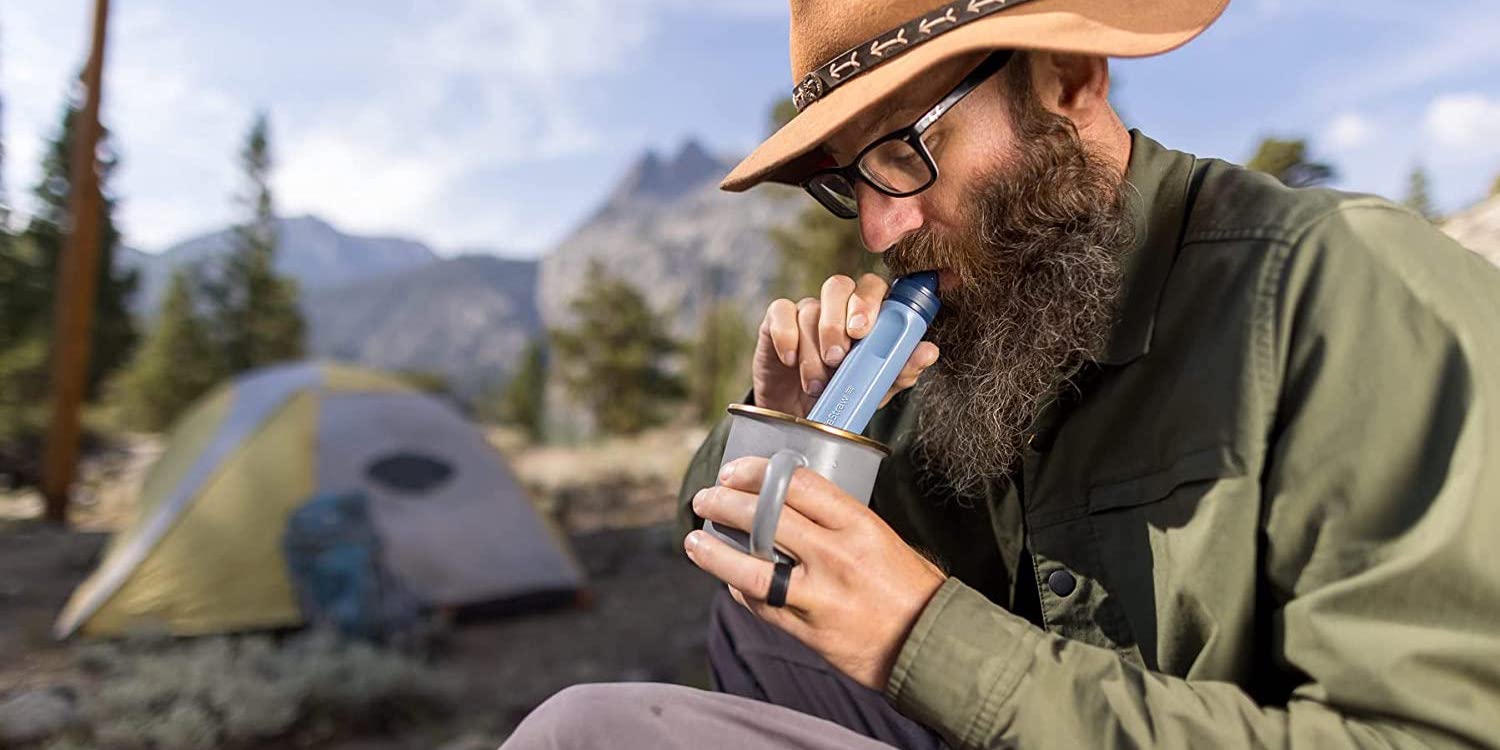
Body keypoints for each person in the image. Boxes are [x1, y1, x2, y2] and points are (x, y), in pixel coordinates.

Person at [502, 0, 1500, 747]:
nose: (882, 226)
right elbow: (728, 538)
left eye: (907, 147)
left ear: (1066, 78)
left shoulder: (1346, 288)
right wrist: (791, 425)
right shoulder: (1004, 314)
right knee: (763, 624)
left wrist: (926, 639)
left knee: (587, 733)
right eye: (850, 179)